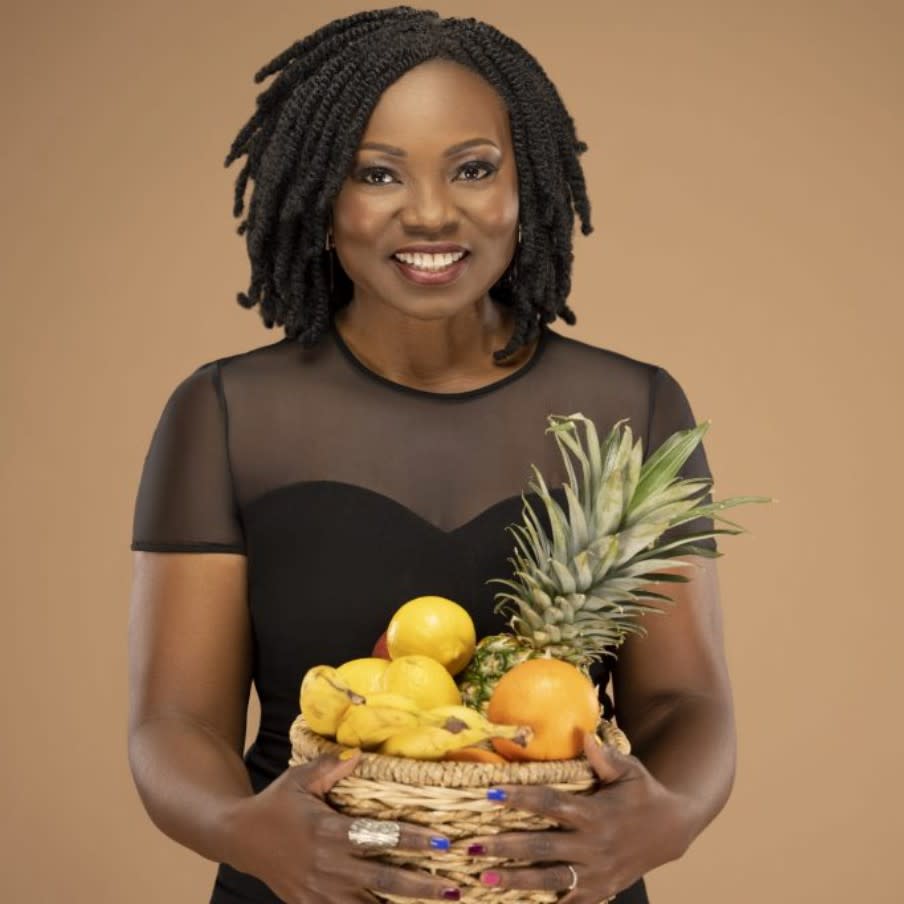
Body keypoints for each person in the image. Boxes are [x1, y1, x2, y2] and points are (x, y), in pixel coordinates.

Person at [127, 7, 736, 904]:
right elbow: (173, 722)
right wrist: (244, 831)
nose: (430, 212)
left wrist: (664, 821)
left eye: (474, 169)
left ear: (525, 185)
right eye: (376, 173)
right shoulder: (224, 413)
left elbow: (689, 703)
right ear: (319, 192)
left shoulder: (631, 409)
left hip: (558, 884)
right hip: (303, 883)